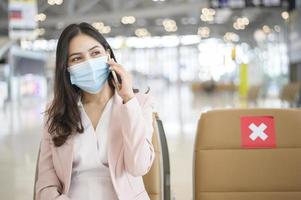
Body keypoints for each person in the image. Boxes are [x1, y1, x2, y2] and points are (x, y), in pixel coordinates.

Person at [34, 22, 155, 200]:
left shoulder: (139, 104)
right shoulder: (56, 113)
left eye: (95, 53)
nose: (89, 63)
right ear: (66, 68)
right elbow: (45, 185)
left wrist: (128, 99)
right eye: (77, 58)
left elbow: (138, 166)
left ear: (108, 55)